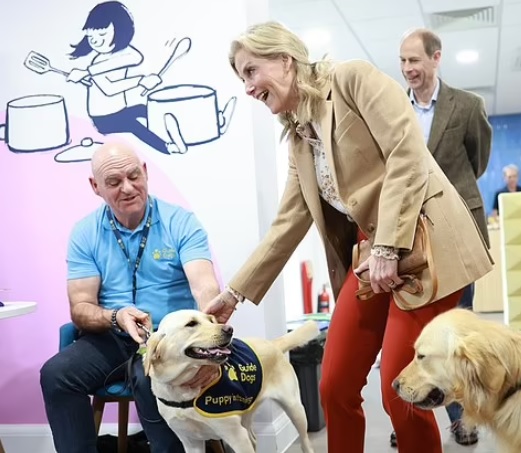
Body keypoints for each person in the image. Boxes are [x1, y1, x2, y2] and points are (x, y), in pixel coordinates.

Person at [204, 21, 493, 453]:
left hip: (424, 246)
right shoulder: (299, 135)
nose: (247, 87)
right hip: (371, 257)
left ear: (284, 60)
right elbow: (289, 220)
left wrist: (387, 246)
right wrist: (235, 293)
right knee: (334, 385)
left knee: (401, 389)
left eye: (250, 71)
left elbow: (407, 152)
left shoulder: (352, 79)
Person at [39, 142, 221, 453]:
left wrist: (209, 343)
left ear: (146, 172)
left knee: (149, 374)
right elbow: (80, 307)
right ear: (95, 187)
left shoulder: (181, 222)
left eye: (133, 176)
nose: (127, 188)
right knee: (56, 375)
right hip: (113, 335)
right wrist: (116, 316)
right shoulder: (85, 232)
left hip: (167, 338)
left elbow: (205, 288)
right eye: (113, 182)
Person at [395, 27, 492, 446]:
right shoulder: (393, 108)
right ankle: (411, 421)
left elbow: (478, 160)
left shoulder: (468, 106)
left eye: (414, 60)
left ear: (436, 58)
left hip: (455, 226)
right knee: (409, 328)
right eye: (402, 61)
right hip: (407, 233)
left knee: (458, 329)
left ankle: (462, 417)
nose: (407, 69)